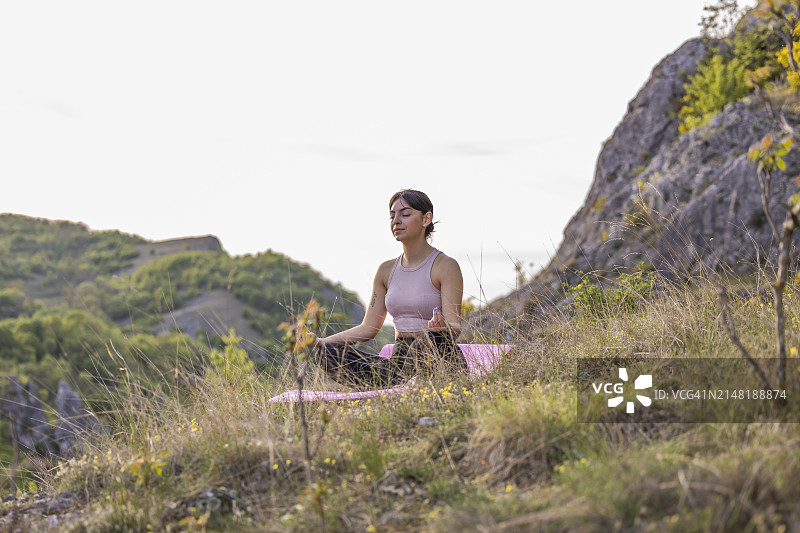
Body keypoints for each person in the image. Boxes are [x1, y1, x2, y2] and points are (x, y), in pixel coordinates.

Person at [309, 189, 467, 387]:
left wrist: (443, 328)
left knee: (432, 336)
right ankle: (399, 384)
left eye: (405, 214)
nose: (396, 221)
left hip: (436, 351)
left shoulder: (445, 265)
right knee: (327, 353)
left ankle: (401, 384)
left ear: (426, 219)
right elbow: (368, 328)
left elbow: (455, 327)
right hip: (399, 359)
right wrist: (322, 341)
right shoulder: (385, 270)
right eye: (392, 216)